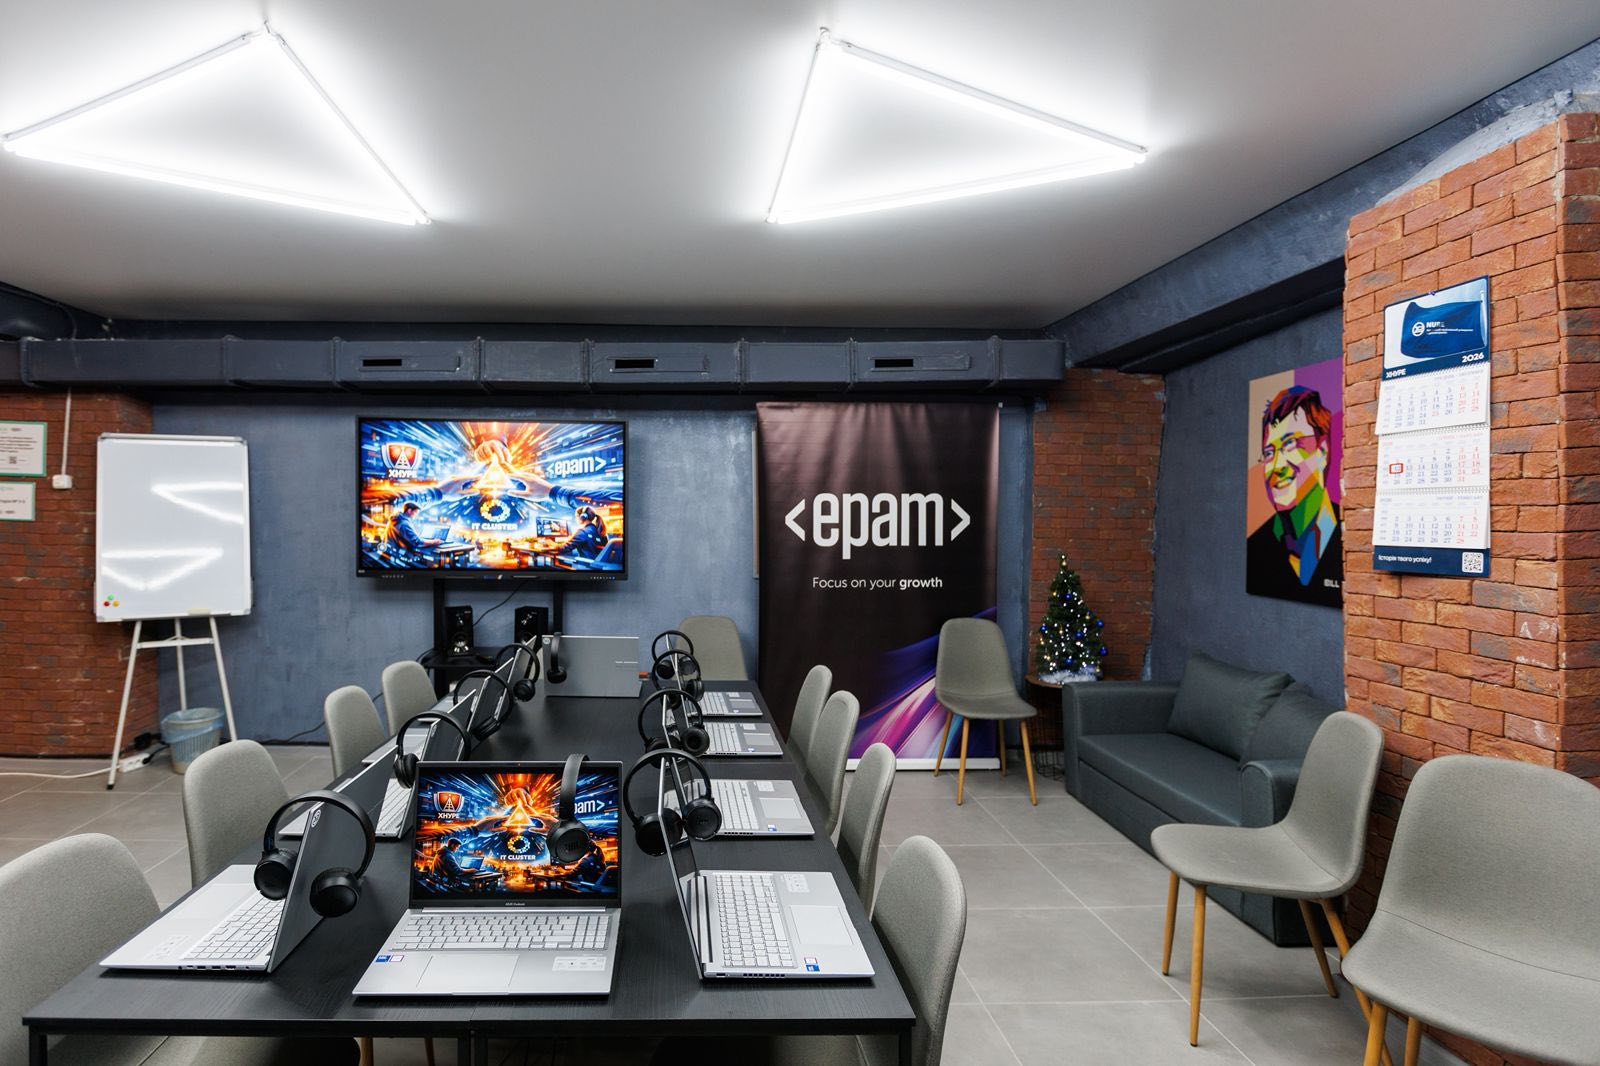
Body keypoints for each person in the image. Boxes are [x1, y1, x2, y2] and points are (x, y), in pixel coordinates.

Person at [1246, 385, 1342, 607]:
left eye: (1290, 444)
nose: (1277, 465)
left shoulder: (1351, 539)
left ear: (1322, 451)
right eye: (1269, 453)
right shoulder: (1256, 546)